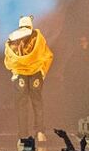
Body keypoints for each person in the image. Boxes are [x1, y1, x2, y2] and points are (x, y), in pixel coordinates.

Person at [3, 15, 53, 144]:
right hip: (36, 73)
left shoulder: (11, 39)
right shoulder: (38, 37)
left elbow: (8, 60)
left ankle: (23, 136)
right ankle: (40, 132)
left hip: (19, 75)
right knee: (37, 103)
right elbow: (47, 55)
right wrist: (43, 72)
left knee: (21, 106)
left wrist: (15, 71)